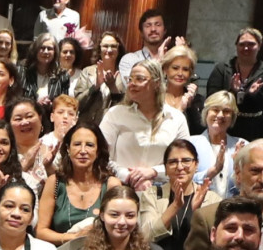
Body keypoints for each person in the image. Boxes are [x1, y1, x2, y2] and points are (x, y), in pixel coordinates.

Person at [99, 60, 188, 193]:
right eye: (130, 79)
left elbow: (185, 160)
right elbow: (100, 156)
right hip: (119, 190)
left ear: (157, 84)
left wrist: (153, 172)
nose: (132, 84)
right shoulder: (115, 114)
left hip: (162, 192)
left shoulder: (176, 118)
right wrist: (128, 176)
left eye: (139, 79)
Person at [35, 122, 112, 246]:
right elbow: (40, 232)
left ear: (98, 151)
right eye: (77, 144)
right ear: (68, 149)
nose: (83, 151)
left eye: (89, 145)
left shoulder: (110, 185)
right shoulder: (54, 182)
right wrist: (74, 237)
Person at [147, 137, 209, 250]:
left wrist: (196, 212)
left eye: (186, 160)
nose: (180, 167)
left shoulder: (210, 197)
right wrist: (175, 206)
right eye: (173, 162)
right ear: (166, 168)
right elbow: (147, 235)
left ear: (196, 164)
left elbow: (212, 242)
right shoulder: (154, 194)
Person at [206, 27, 263, 140]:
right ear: (236, 46)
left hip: (257, 129)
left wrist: (254, 95)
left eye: (251, 44)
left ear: (259, 46)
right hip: (226, 126)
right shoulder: (222, 69)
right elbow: (211, 98)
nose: (246, 48)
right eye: (242, 44)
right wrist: (232, 93)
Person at [189, 92, 243, 202]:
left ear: (232, 117)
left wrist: (239, 168)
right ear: (206, 113)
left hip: (232, 209)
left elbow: (250, 183)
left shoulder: (243, 145)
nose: (220, 115)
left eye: (226, 111)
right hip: (200, 208)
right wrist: (214, 170)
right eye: (215, 110)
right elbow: (183, 179)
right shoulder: (190, 144)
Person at [156, 45, 203, 128]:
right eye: (175, 68)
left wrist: (190, 107)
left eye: (185, 69)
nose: (180, 73)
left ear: (190, 73)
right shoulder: (153, 96)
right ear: (165, 69)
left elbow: (199, 132)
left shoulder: (197, 101)